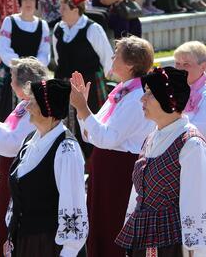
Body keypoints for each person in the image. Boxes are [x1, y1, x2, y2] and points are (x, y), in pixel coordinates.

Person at [114, 66, 206, 256]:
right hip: (144, 242)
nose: (142, 98)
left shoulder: (191, 145)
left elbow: (200, 204)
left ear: (169, 100)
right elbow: (138, 195)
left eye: (150, 93)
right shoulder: (151, 138)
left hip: (174, 246)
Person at [69, 36, 156, 257]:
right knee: (99, 227)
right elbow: (91, 135)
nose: (112, 58)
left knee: (113, 229)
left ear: (130, 64)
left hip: (120, 171)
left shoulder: (137, 96)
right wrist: (83, 110)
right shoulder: (121, 90)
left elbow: (106, 138)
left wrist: (83, 109)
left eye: (116, 55)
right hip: (106, 168)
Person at [5, 78, 88, 256]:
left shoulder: (66, 150)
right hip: (26, 242)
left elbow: (74, 207)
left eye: (33, 102)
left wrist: (68, 251)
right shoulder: (29, 141)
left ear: (48, 110)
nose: (27, 108)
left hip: (49, 246)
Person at [0, 58, 48, 257]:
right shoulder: (24, 105)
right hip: (9, 168)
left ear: (24, 84)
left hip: (18, 170)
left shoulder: (36, 107)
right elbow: (7, 129)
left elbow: (12, 143)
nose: (9, 83)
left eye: (12, 79)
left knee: (10, 219)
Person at [52, 0, 113, 158]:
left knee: (90, 117)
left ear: (75, 9)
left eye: (64, 8)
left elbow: (106, 56)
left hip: (89, 82)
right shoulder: (58, 29)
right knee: (66, 121)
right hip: (65, 81)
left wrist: (108, 77)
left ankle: (93, 156)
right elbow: (58, 58)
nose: (60, 12)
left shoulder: (92, 28)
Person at [0, 0, 50, 126]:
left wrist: (32, 68)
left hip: (33, 77)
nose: (28, 3)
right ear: (20, 2)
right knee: (4, 112)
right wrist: (20, 66)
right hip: (11, 75)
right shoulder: (10, 21)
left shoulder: (42, 25)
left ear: (36, 2)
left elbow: (44, 53)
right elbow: (4, 48)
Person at [173, 41, 206, 139]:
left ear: (203, 67)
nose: (179, 69)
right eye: (177, 63)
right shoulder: (174, 91)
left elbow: (196, 133)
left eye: (186, 64)